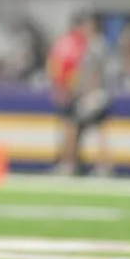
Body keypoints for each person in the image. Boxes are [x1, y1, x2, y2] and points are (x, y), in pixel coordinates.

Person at [47, 12, 113, 176]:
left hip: (96, 93)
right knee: (90, 127)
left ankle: (69, 164)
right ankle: (88, 164)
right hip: (90, 93)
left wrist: (81, 93)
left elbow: (95, 74)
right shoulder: (84, 43)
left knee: (73, 123)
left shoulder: (96, 44)